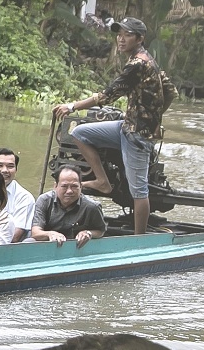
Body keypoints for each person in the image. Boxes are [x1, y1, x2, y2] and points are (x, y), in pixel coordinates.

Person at [54, 16, 176, 234]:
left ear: (140, 38)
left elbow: (108, 95)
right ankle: (102, 180)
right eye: (119, 34)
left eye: (127, 35)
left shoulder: (138, 64)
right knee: (80, 133)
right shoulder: (148, 59)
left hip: (137, 134)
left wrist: (72, 106)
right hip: (126, 127)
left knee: (138, 190)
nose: (121, 39)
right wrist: (155, 117)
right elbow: (170, 91)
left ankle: (139, 240)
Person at [31, 165, 107, 246]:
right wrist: (50, 234)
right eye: (64, 186)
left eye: (74, 186)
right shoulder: (45, 200)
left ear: (81, 186)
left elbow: (101, 231)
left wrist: (88, 233)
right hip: (49, 245)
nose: (69, 191)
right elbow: (35, 232)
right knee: (28, 241)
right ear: (55, 186)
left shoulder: (92, 206)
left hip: (77, 247)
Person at [0, 147, 34, 244]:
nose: (5, 170)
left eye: (10, 166)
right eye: (0, 165)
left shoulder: (24, 197)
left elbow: (15, 236)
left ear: (16, 170)